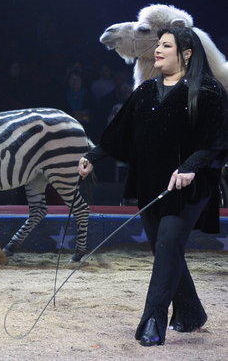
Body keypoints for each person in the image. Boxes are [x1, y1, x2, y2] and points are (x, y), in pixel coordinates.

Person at [78, 27, 228, 347]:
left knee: (168, 241)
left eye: (166, 46)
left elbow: (216, 139)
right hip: (149, 184)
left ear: (186, 54)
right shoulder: (146, 90)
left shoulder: (208, 90)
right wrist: (94, 156)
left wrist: (190, 167)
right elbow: (120, 131)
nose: (157, 50)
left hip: (190, 185)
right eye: (157, 45)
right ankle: (190, 312)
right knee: (165, 247)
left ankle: (153, 320)